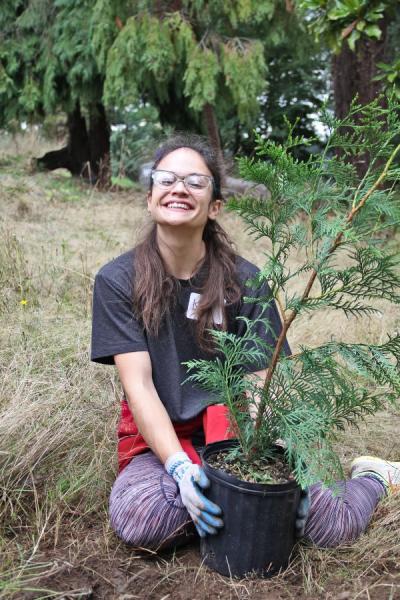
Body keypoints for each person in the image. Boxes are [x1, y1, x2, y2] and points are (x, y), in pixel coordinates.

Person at [91, 134, 400, 552]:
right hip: (164, 437)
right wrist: (180, 469)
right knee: (144, 520)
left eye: (195, 182)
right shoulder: (117, 280)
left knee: (329, 523)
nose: (178, 188)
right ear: (150, 198)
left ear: (216, 205)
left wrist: (275, 458)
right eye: (166, 179)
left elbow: (260, 382)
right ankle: (210, 497)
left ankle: (373, 477)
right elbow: (139, 387)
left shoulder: (245, 279)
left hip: (242, 431)